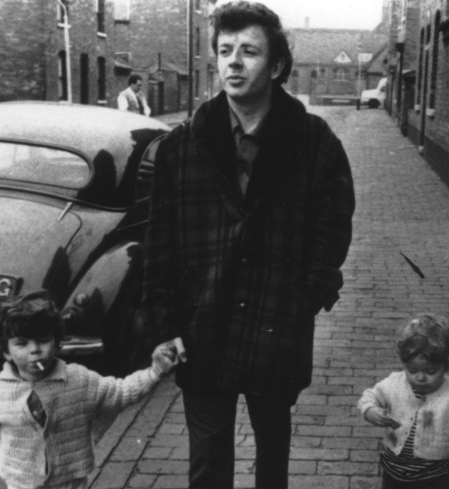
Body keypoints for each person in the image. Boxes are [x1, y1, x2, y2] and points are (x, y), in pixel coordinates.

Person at [139, 2, 355, 489]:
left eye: (249, 51)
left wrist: (304, 296)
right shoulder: (181, 147)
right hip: (203, 324)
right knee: (208, 463)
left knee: (272, 456)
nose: (233, 62)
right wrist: (163, 325)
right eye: (225, 51)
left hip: (276, 324)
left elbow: (334, 228)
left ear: (275, 66)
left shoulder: (315, 143)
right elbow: (158, 243)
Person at [0, 290, 179, 489]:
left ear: (57, 343)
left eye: (43, 340)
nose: (34, 349)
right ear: (6, 351)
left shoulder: (79, 380)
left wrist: (156, 371)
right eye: (22, 343)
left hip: (69, 481)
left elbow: (121, 391)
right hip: (20, 482)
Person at [358, 314, 449, 489]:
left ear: (446, 365)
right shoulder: (394, 383)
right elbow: (370, 396)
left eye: (430, 371)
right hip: (393, 470)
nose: (420, 377)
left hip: (434, 475)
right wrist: (370, 411)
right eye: (412, 370)